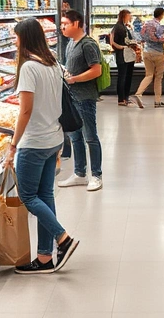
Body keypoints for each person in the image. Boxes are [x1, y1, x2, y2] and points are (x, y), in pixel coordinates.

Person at [8, 18, 79, 274]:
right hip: (53, 138)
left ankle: (63, 238)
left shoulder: (29, 67)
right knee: (46, 195)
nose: (14, 42)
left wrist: (13, 145)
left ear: (25, 39)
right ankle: (44, 257)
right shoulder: (53, 63)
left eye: (16, 37)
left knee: (28, 197)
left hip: (34, 142)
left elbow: (25, 111)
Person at [58, 10, 104, 192]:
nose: (62, 27)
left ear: (76, 23)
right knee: (75, 136)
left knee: (90, 137)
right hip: (71, 97)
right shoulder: (71, 43)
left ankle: (96, 175)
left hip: (85, 98)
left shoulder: (88, 44)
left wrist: (74, 79)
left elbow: (96, 70)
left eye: (65, 23)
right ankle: (80, 173)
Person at [134, 7, 164, 108]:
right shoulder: (159, 26)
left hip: (146, 52)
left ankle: (138, 93)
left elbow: (141, 36)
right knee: (158, 77)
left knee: (148, 75)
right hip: (157, 53)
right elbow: (160, 39)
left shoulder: (146, 24)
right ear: (161, 15)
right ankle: (157, 101)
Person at [110, 9, 139, 107]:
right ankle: (122, 98)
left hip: (125, 54)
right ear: (124, 16)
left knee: (125, 76)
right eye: (129, 16)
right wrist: (123, 46)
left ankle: (124, 98)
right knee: (124, 77)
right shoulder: (120, 28)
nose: (130, 18)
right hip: (124, 55)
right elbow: (121, 41)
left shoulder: (122, 27)